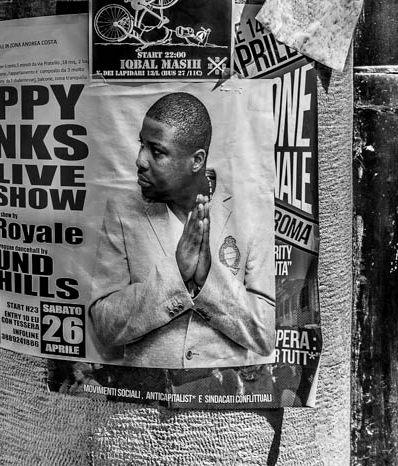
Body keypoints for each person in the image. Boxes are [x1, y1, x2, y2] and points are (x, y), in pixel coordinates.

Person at [89, 92, 274, 369]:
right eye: (141, 145)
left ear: (196, 160)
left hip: (225, 390)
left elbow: (266, 334)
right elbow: (103, 326)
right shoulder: (121, 210)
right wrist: (175, 275)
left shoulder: (251, 211)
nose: (140, 160)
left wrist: (207, 281)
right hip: (150, 390)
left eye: (157, 151)